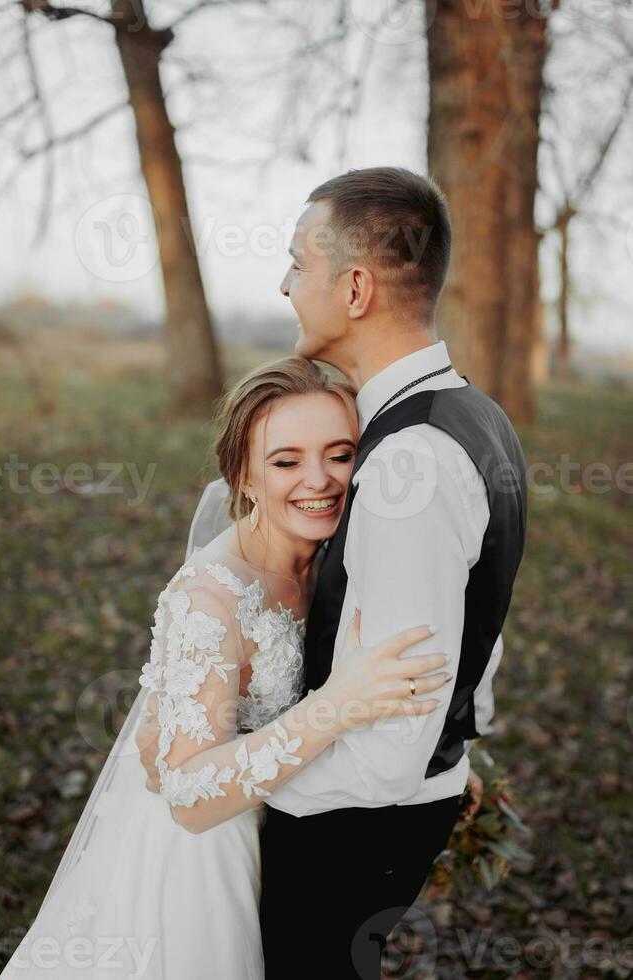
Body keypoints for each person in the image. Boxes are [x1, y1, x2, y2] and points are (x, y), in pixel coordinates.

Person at [0, 357, 451, 980]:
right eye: (285, 461)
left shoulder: (334, 556)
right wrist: (337, 706)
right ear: (242, 475)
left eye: (340, 454)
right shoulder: (207, 600)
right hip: (204, 857)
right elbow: (185, 791)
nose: (319, 479)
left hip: (297, 832)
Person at [251, 166, 528, 978]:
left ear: (357, 287)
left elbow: (395, 742)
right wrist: (462, 750)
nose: (285, 285)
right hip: (393, 806)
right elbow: (480, 629)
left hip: (354, 823)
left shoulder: (411, 458)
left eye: (299, 264)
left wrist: (263, 792)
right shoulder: (474, 412)